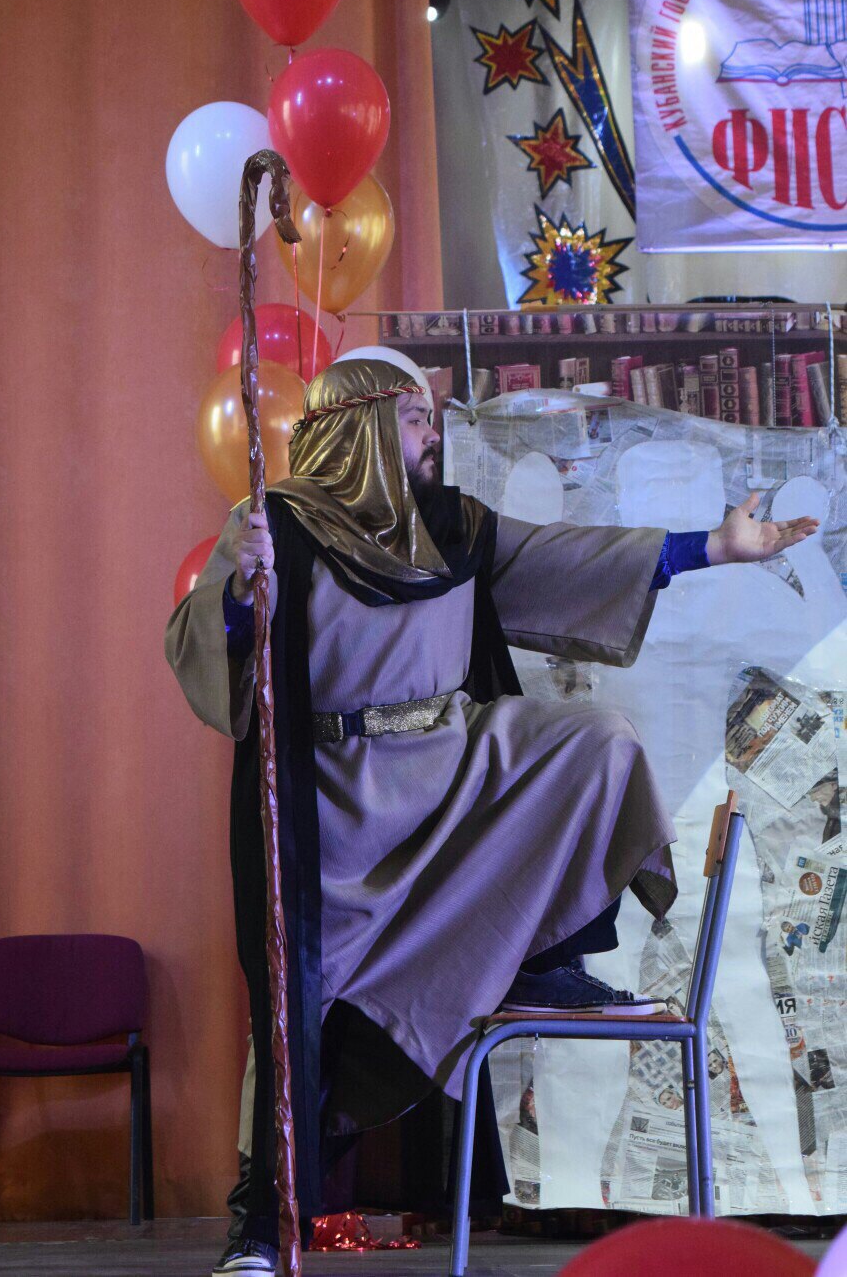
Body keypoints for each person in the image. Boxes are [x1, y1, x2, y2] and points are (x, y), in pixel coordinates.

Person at [165, 359, 818, 1276]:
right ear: (360, 427)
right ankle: (262, 1228)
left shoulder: (453, 526)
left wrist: (713, 546)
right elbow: (208, 647)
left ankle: (549, 959)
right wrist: (242, 595)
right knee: (295, 1012)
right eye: (415, 419)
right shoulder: (277, 524)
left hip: (451, 781)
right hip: (335, 813)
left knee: (595, 742)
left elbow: (568, 559)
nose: (433, 435)